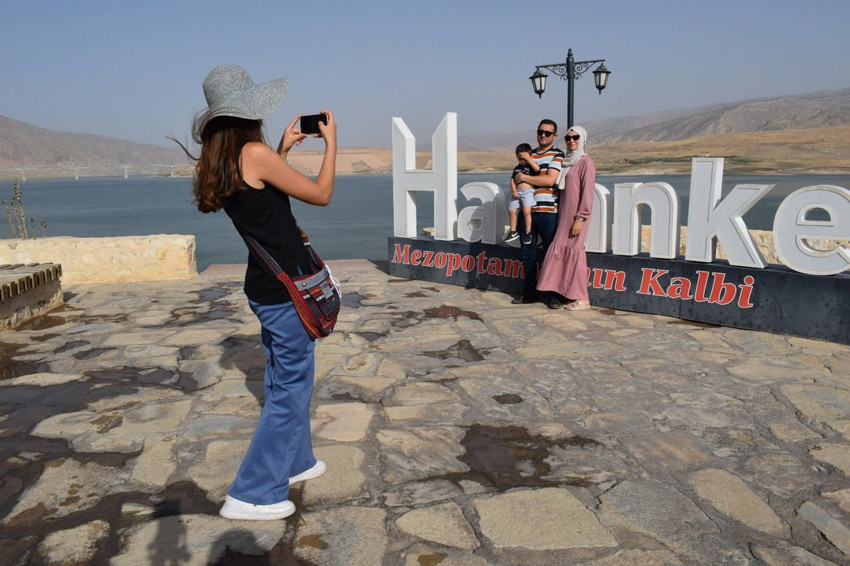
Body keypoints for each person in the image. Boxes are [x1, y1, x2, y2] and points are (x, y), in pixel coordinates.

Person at [177, 65, 336, 520]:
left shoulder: (223, 159)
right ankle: (251, 492)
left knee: (283, 378)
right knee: (289, 388)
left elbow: (261, 198)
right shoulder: (255, 153)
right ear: (250, 111)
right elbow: (321, 194)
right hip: (286, 289)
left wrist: (283, 148)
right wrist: (331, 141)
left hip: (265, 287)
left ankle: (297, 461)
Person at [537, 125, 594, 311]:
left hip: (576, 218)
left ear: (583, 139)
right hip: (564, 215)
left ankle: (583, 299)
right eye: (568, 138)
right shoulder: (567, 162)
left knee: (575, 253)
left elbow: (587, 193)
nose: (571, 141)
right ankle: (564, 293)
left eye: (576, 137)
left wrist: (580, 218)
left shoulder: (585, 162)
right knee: (561, 252)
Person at [510, 119, 564, 304]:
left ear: (554, 136)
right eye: (540, 131)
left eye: (548, 133)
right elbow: (516, 179)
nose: (543, 135)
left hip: (548, 212)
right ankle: (530, 293)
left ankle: (551, 294)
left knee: (550, 253)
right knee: (527, 254)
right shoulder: (528, 154)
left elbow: (550, 181)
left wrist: (525, 177)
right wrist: (524, 178)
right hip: (527, 212)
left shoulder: (557, 154)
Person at [505, 143, 537, 245]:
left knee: (527, 211)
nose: (522, 161)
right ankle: (513, 231)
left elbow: (537, 169)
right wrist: (514, 191)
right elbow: (512, 180)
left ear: (530, 156)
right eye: (520, 159)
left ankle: (528, 232)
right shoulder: (517, 168)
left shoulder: (531, 166)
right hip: (517, 193)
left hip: (528, 192)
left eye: (524, 159)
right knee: (512, 211)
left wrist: (529, 160)